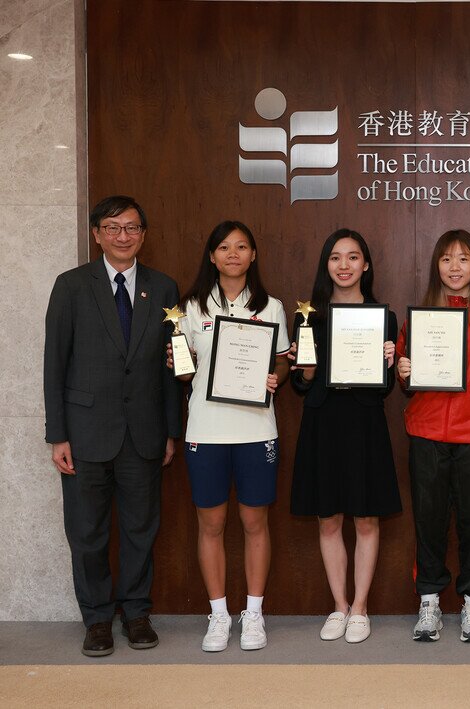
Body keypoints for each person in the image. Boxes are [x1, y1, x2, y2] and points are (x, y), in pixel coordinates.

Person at [44, 195, 181, 656]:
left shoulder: (163, 288)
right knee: (87, 531)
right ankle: (98, 619)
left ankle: (137, 613)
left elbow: (170, 366)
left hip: (143, 432)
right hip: (84, 433)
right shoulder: (71, 285)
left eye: (133, 227)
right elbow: (54, 364)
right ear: (97, 233)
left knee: (142, 528)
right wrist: (57, 434)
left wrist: (169, 431)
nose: (124, 236)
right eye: (114, 227)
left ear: (144, 234)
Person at [171, 220, 290, 652]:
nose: (233, 254)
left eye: (242, 247)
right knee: (212, 523)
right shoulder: (191, 307)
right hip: (206, 428)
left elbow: (281, 364)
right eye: (224, 247)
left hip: (257, 431)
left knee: (255, 521)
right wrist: (177, 359)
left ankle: (253, 614)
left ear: (253, 255)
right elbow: (184, 372)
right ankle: (218, 615)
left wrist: (275, 377)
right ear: (212, 255)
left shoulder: (272, 306)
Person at [395, 229, 470, 643]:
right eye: (446, 259)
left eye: (463, 259)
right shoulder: (420, 316)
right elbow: (407, 379)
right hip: (427, 431)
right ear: (436, 266)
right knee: (428, 520)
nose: (454, 267)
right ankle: (429, 600)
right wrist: (403, 373)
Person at [289, 229, 401, 644]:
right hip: (323, 422)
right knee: (329, 517)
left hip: (364, 423)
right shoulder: (308, 316)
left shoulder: (382, 317)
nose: (344, 265)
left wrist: (388, 361)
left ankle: (361, 607)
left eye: (353, 257)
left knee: (367, 518)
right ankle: (338, 605)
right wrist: (308, 368)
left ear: (365, 265)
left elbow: (387, 385)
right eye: (336, 257)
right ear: (327, 265)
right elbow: (301, 386)